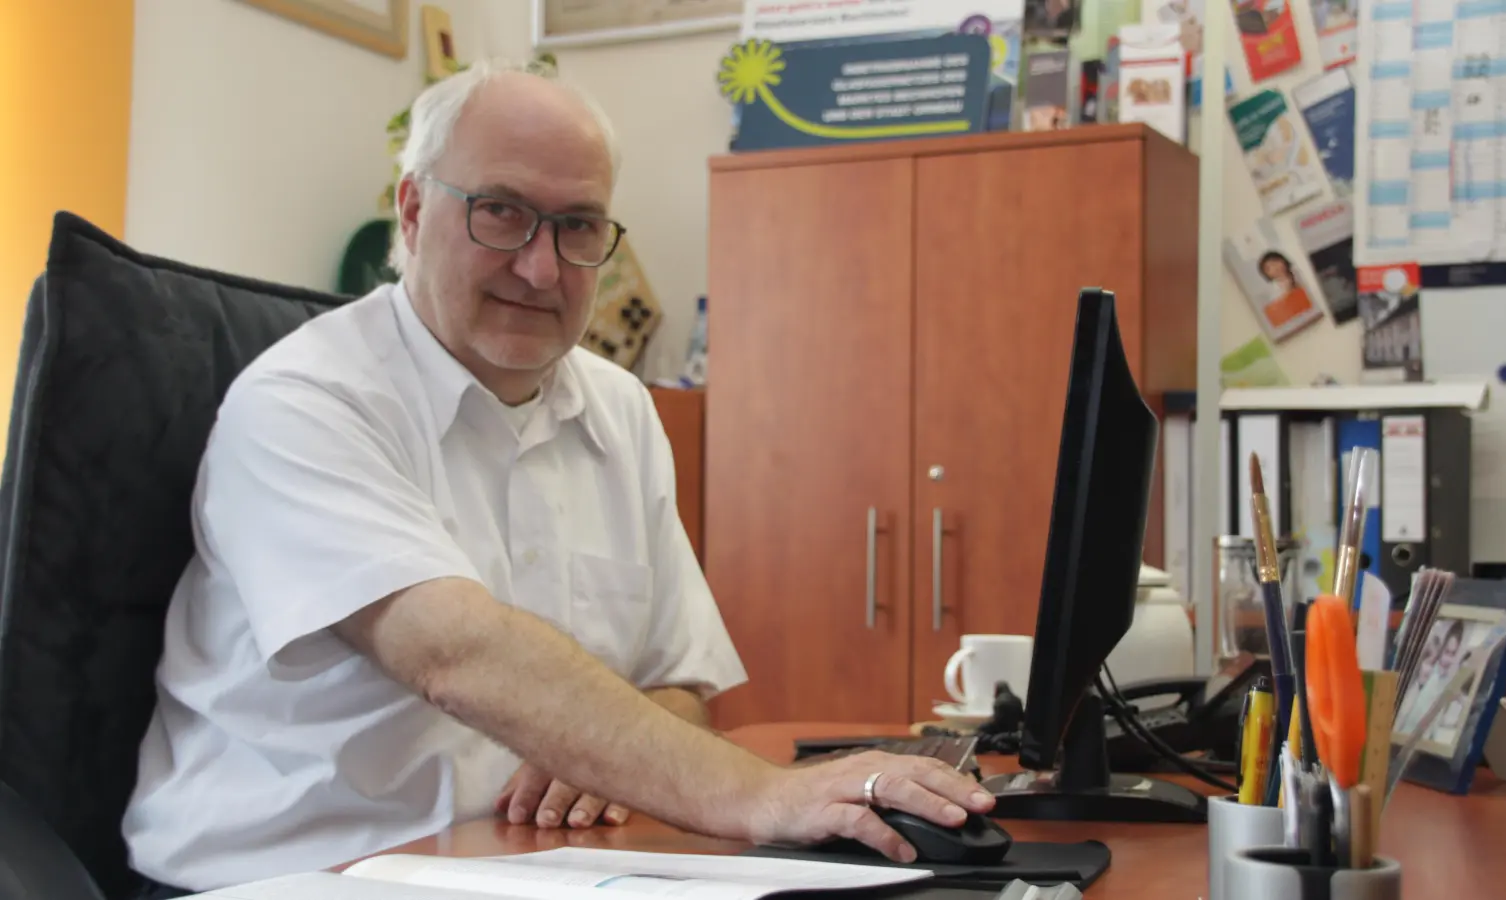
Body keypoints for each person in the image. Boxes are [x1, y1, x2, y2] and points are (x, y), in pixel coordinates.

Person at [121, 59, 993, 899]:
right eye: (501, 212)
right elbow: (454, 655)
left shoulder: (620, 408)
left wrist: (599, 752)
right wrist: (767, 796)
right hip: (289, 879)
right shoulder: (306, 401)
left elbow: (684, 691)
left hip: (515, 864)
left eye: (577, 226)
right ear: (414, 209)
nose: (541, 268)